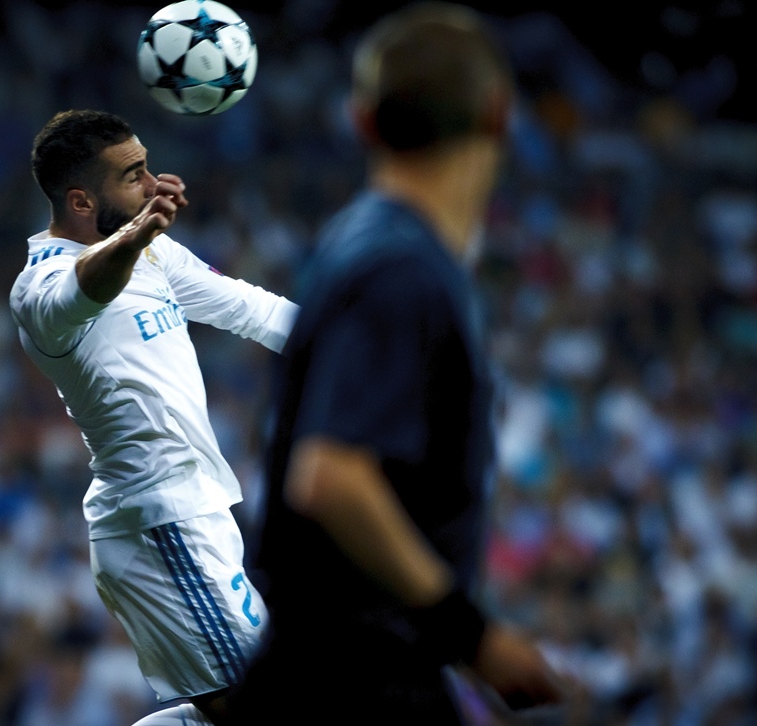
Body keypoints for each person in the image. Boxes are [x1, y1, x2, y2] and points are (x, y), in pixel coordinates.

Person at [218, 3, 570, 724]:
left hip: (323, 672)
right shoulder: (402, 270)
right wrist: (474, 635)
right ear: (499, 117)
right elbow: (333, 475)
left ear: (363, 122)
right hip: (354, 682)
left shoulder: (359, 242)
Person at [8, 109, 298, 725]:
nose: (154, 182)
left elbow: (252, 310)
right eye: (132, 174)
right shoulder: (39, 289)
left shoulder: (154, 254)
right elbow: (85, 287)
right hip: (158, 521)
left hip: (195, 513)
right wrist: (135, 236)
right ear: (83, 200)